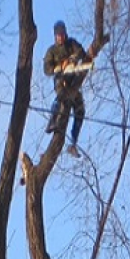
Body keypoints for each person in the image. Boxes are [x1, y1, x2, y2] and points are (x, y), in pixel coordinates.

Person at [43, 20, 91, 157]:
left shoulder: (72, 44)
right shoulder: (52, 51)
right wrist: (57, 68)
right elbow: (46, 69)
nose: (61, 37)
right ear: (55, 36)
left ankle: (74, 142)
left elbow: (81, 53)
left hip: (73, 81)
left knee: (80, 111)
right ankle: (53, 120)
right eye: (59, 35)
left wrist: (71, 59)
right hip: (61, 80)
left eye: (63, 34)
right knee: (60, 98)